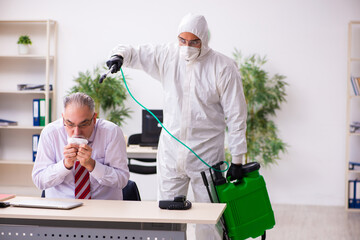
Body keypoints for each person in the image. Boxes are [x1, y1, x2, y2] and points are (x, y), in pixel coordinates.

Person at [106, 13, 247, 239]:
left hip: (207, 156)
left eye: (194, 42)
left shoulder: (223, 67)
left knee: (209, 220)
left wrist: (238, 160)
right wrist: (118, 56)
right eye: (182, 40)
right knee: (167, 218)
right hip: (171, 154)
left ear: (204, 40)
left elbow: (237, 116)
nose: (187, 46)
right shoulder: (167, 56)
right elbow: (135, 52)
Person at [32, 92, 130, 200]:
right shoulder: (50, 133)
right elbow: (39, 181)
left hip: (102, 207)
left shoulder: (111, 132)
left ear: (94, 119)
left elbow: (122, 180)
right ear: (63, 118)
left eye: (83, 124)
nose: (77, 132)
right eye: (70, 124)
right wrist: (65, 165)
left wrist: (93, 166)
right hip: (61, 207)